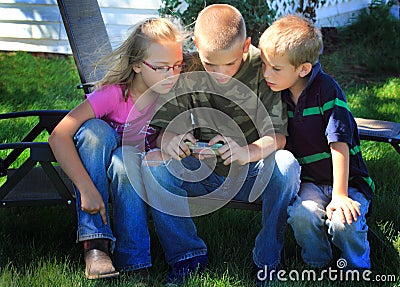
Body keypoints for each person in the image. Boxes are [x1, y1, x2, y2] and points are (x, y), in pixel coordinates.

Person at [141, 4, 300, 285]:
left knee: (285, 164)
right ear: (196, 46)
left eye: (229, 63)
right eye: (210, 63)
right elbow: (161, 131)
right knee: (153, 162)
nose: (220, 72)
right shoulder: (188, 66)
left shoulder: (262, 67)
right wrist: (173, 141)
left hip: (251, 174)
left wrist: (245, 151)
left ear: (246, 46)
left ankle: (266, 261)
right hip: (203, 169)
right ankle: (186, 256)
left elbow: (278, 137)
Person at [48, 17, 187, 279]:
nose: (172, 75)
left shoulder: (168, 97)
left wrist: (170, 140)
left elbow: (159, 138)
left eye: (177, 66)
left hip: (130, 171)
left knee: (126, 159)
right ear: (136, 65)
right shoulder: (113, 94)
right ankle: (95, 242)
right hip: (96, 165)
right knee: (94, 131)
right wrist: (87, 190)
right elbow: (58, 136)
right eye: (162, 67)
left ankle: (134, 263)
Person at [258, 14, 374, 271]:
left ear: (303, 69)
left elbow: (339, 144)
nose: (266, 73)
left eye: (275, 68)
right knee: (302, 216)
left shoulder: (327, 90)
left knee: (344, 223)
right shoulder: (278, 94)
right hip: (309, 182)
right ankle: (317, 264)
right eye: (264, 65)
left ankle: (357, 268)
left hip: (348, 182)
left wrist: (340, 194)